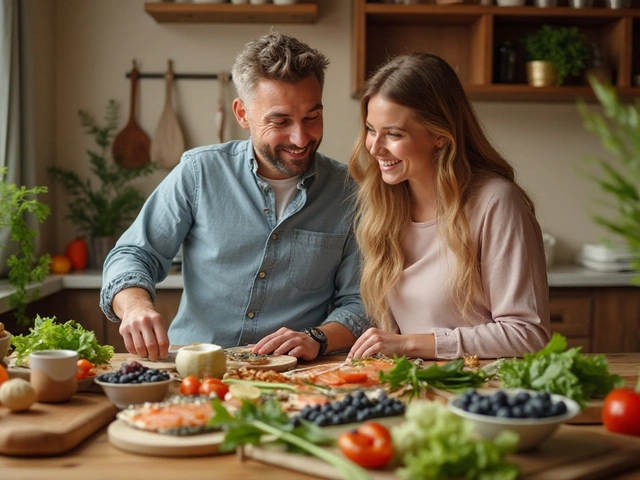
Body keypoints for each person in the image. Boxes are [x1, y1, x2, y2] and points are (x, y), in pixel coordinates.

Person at [100, 32, 367, 361]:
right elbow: (133, 255)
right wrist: (135, 307)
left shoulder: (349, 192)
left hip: (294, 375)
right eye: (280, 121)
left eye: (312, 118)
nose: (300, 138)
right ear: (242, 114)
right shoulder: (199, 172)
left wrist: (317, 338)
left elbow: (359, 301)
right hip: (193, 365)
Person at [347, 53, 550, 360]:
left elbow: (527, 333)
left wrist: (408, 344)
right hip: (418, 389)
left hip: (484, 395)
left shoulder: (496, 202)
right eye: (371, 129)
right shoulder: (387, 206)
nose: (374, 147)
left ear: (439, 135)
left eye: (393, 134)